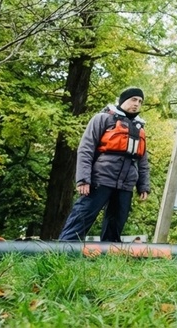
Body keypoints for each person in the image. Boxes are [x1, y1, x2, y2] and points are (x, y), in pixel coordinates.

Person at [58, 87, 150, 242]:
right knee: (82, 217)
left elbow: (142, 160)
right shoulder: (103, 118)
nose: (137, 104)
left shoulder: (139, 128)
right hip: (101, 178)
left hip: (126, 184)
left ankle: (109, 258)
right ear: (123, 101)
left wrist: (143, 185)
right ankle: (64, 250)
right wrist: (83, 179)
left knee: (116, 224)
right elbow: (86, 149)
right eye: (133, 99)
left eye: (140, 101)